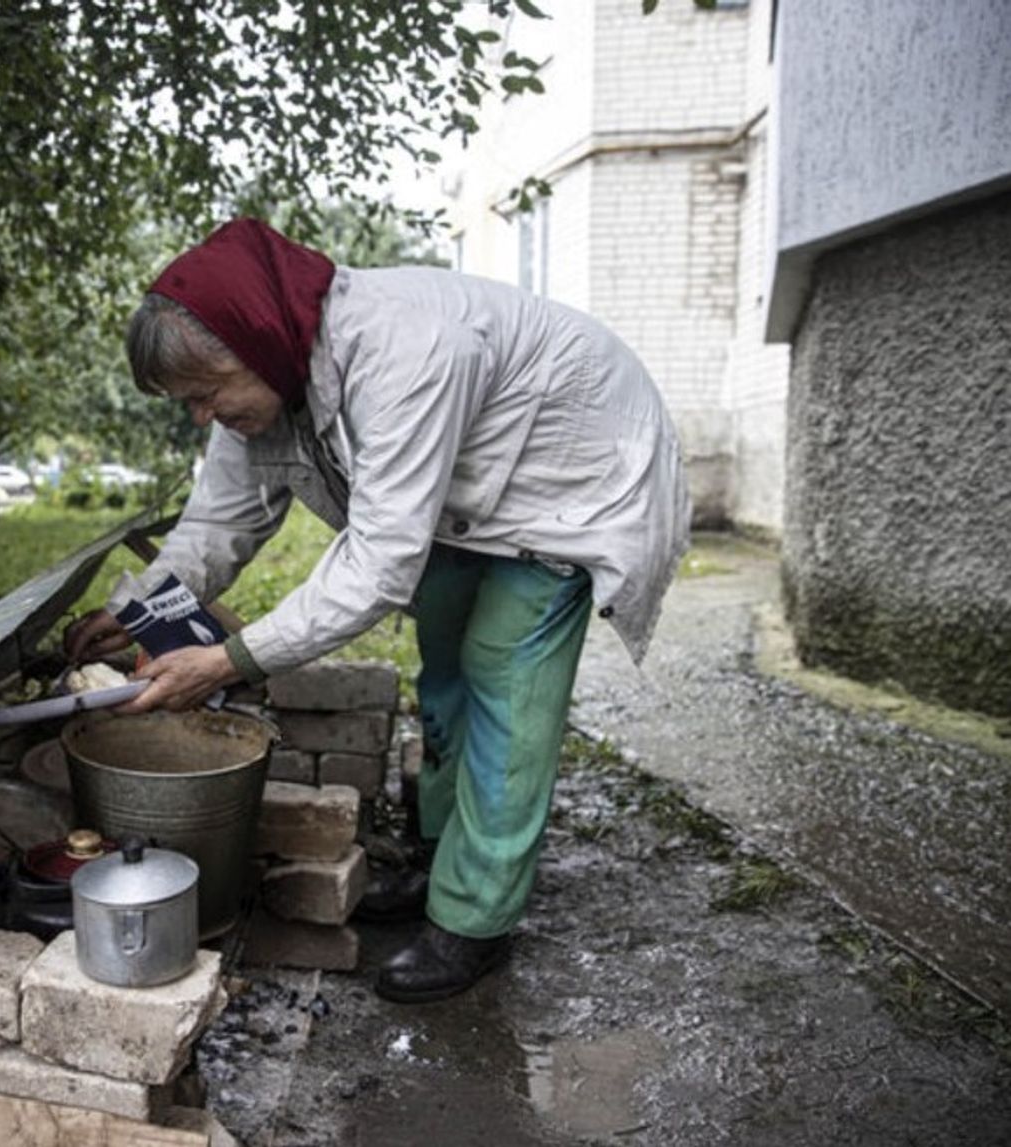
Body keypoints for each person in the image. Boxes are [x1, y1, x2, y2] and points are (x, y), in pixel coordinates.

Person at [64, 217, 690, 1002]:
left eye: (204, 393)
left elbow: (382, 560)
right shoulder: (267, 373)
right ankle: (439, 860)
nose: (200, 416)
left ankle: (474, 920)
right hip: (470, 501)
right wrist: (141, 608)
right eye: (186, 402)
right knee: (445, 677)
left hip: (571, 481)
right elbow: (221, 521)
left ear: (253, 343)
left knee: (502, 682)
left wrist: (229, 660)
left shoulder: (406, 348)